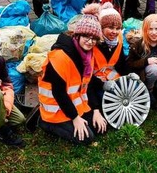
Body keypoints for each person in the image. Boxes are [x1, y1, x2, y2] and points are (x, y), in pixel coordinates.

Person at [38, 15, 107, 145]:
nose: (90, 42)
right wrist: (75, 118)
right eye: (86, 36)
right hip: (55, 111)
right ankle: (45, 123)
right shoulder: (60, 57)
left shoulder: (87, 54)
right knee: (87, 138)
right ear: (77, 35)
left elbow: (88, 84)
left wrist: (96, 110)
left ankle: (76, 119)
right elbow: (59, 93)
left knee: (100, 127)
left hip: (72, 105)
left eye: (94, 39)